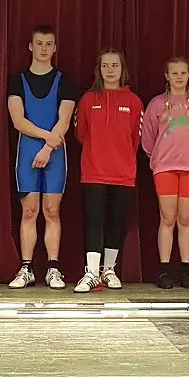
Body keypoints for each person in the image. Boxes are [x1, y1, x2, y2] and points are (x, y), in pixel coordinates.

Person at [6, 26, 77, 290]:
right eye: (39, 43)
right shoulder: (17, 81)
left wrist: (48, 148)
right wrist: (47, 139)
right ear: (30, 46)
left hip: (55, 154)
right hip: (28, 152)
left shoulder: (65, 82)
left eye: (49, 44)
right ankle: (26, 268)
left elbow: (64, 121)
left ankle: (53, 268)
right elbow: (18, 121)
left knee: (51, 211)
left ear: (55, 48)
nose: (44, 48)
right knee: (29, 211)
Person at [73, 49, 144, 293]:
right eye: (105, 65)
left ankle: (109, 270)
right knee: (95, 220)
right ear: (99, 69)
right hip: (94, 171)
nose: (110, 70)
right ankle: (92, 273)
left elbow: (136, 138)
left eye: (115, 65)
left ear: (122, 69)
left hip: (123, 173)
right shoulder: (87, 100)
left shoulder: (134, 102)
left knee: (116, 221)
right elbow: (81, 134)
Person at [142, 57, 189, 289]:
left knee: (185, 219)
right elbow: (148, 139)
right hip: (165, 167)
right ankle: (164, 270)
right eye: (174, 73)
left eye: (183, 73)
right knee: (167, 218)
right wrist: (160, 158)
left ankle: (185, 270)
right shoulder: (157, 104)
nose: (179, 77)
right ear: (167, 76)